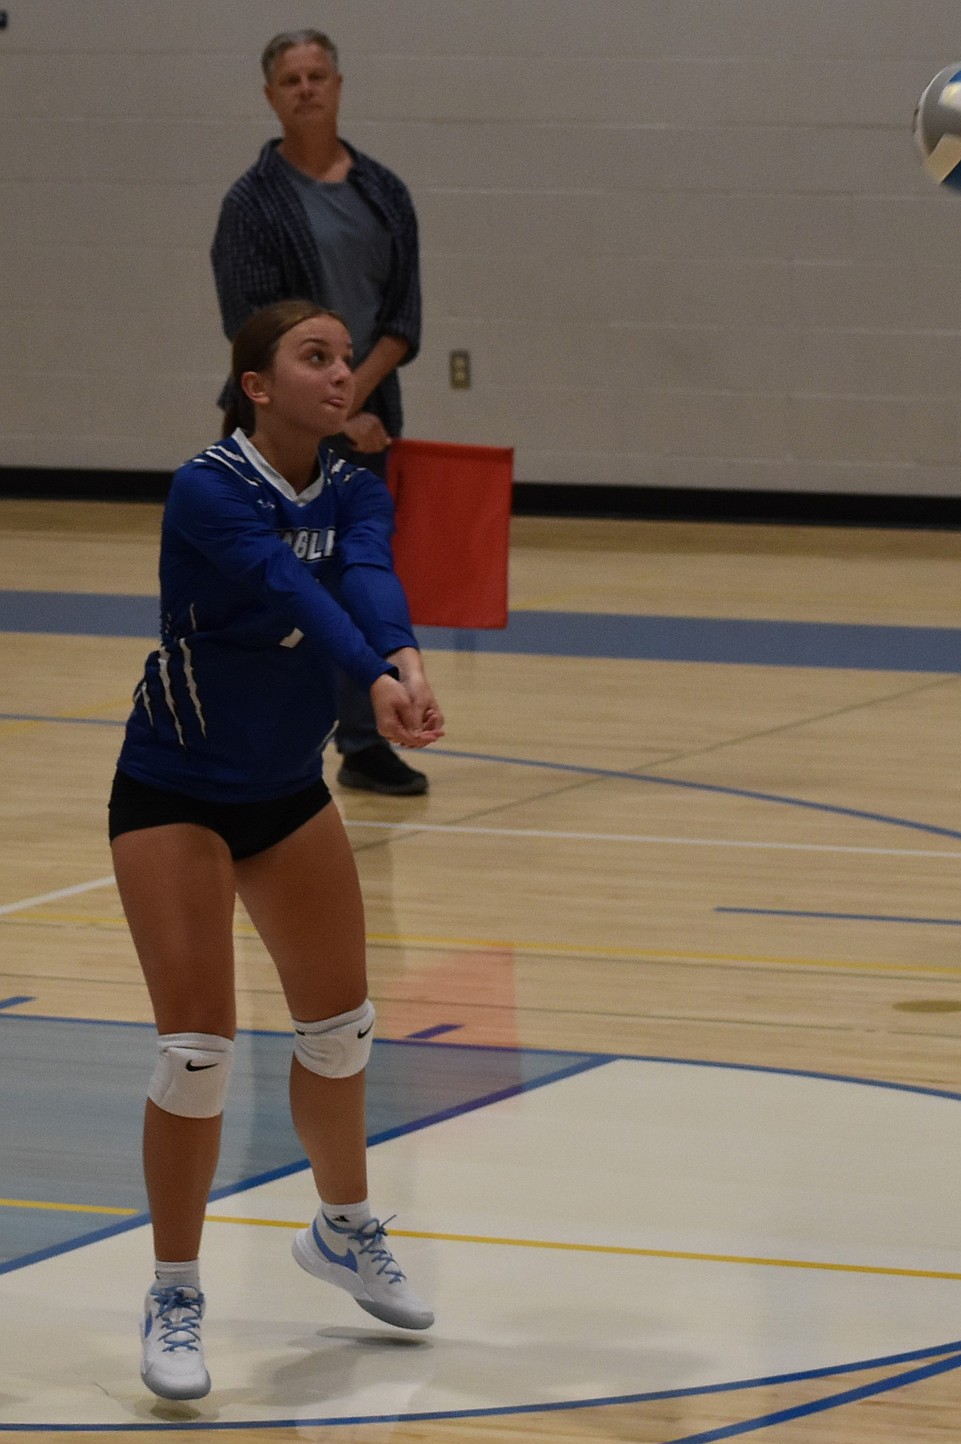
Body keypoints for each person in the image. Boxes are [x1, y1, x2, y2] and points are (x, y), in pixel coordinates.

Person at [109, 299, 444, 1401]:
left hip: (285, 792)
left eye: (347, 357)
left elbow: (367, 574)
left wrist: (402, 656)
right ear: (257, 384)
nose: (342, 373)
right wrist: (373, 677)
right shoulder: (209, 487)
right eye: (315, 357)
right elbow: (289, 586)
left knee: (341, 1032)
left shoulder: (354, 486)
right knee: (197, 1052)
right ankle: (173, 1293)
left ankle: (343, 1228)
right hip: (174, 789)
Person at [211, 27, 428, 796]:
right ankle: (251, 737)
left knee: (359, 577)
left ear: (338, 86)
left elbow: (403, 316)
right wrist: (329, 413)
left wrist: (350, 397)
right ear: (271, 97)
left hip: (368, 420)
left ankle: (366, 741)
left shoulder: (383, 190)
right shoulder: (251, 204)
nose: (306, 88)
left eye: (317, 75)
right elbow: (254, 329)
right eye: (291, 79)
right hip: (277, 431)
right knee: (275, 584)